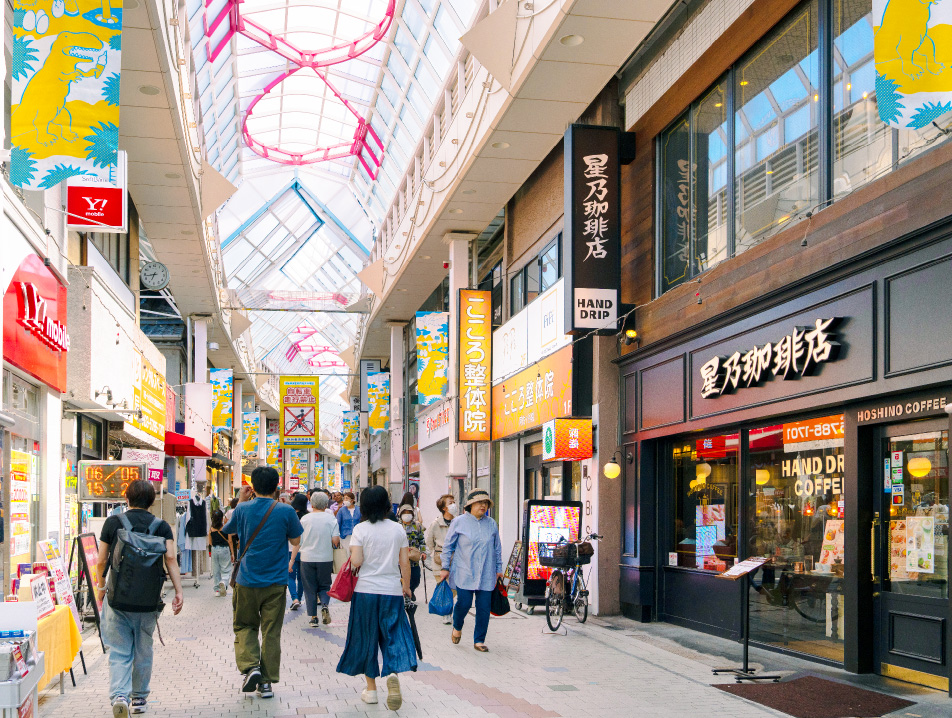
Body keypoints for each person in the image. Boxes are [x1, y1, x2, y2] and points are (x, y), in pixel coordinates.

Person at [96, 480, 183, 717]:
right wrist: (179, 591)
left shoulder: (113, 523)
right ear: (152, 502)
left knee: (119, 650)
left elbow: (102, 560)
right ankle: (140, 699)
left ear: (126, 498)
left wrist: (100, 587)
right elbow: (171, 559)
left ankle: (120, 695)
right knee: (143, 649)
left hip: (117, 599)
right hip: (148, 601)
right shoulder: (162, 526)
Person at [222, 467, 303, 699]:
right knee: (271, 631)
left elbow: (228, 530)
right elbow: (296, 539)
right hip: (276, 581)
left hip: (246, 579)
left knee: (245, 625)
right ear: (277, 487)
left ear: (253, 487)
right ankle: (266, 683)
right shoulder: (286, 510)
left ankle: (251, 667)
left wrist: (240, 500)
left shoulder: (243, 509)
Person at [337, 486, 416, 710]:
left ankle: (371, 691)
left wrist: (354, 558)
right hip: (391, 590)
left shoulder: (360, 529)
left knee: (366, 638)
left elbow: (356, 561)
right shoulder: (398, 529)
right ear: (386, 504)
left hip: (365, 592)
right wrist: (407, 587)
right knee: (392, 634)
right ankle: (391, 673)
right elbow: (404, 562)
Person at [440, 489, 503, 652]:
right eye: (480, 502)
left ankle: (479, 640)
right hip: (464, 571)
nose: (483, 506)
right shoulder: (459, 522)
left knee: (483, 607)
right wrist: (445, 567)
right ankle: (457, 625)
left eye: (486, 503)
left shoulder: (491, 523)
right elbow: (448, 546)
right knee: (464, 603)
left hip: (486, 572)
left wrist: (499, 569)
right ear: (470, 505)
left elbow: (497, 548)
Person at [291, 492, 340, 626]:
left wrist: (291, 560)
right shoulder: (331, 519)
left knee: (309, 587)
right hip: (325, 558)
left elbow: (297, 542)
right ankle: (324, 605)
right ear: (326, 504)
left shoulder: (304, 520)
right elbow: (336, 541)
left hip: (307, 558)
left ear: (312, 504)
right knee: (324, 585)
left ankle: (313, 618)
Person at [425, 494, 458, 624]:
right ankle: (447, 613)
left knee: (454, 588)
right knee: (444, 586)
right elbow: (429, 541)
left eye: (454, 501)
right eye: (450, 502)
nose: (454, 504)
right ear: (444, 508)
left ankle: (447, 609)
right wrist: (434, 554)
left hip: (455, 560)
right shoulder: (436, 524)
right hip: (439, 561)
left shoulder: (458, 521)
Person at [397, 503, 425, 601]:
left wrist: (423, 552)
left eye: (409, 512)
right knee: (402, 578)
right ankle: (404, 594)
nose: (407, 514)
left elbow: (422, 540)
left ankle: (411, 590)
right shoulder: (397, 526)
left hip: (414, 558)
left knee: (416, 578)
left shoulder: (417, 526)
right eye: (405, 513)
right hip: (401, 558)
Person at [287, 494, 308, 610]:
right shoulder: (308, 517)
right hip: (304, 551)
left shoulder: (291, 515)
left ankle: (294, 598)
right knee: (301, 578)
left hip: (291, 549)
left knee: (290, 576)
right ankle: (299, 599)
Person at [208, 509, 235, 597]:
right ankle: (223, 581)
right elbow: (230, 541)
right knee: (226, 569)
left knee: (216, 570)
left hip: (215, 549)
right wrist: (232, 553)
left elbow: (210, 542)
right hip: (225, 549)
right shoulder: (226, 528)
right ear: (221, 518)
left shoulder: (211, 529)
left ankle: (217, 591)